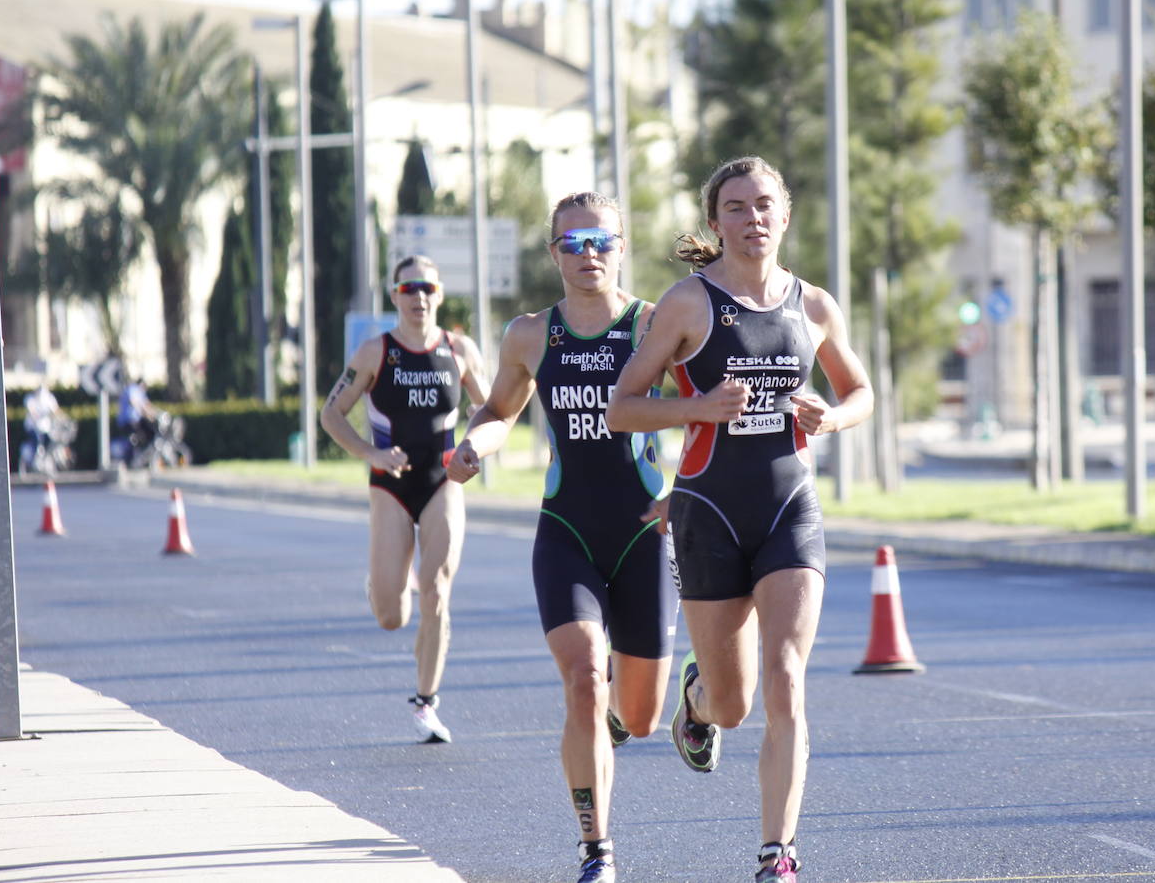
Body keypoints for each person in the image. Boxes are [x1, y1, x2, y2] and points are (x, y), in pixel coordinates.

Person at [607, 156, 874, 883]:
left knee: (788, 675)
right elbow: (622, 407)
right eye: (735, 207)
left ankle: (776, 854)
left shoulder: (814, 306)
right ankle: (696, 697)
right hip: (707, 513)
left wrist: (835, 417)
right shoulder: (687, 306)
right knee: (733, 705)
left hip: (790, 508)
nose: (751, 219)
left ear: (784, 215)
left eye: (763, 205)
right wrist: (696, 407)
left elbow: (861, 391)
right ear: (716, 221)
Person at [446, 192, 677, 883]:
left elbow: (707, 413)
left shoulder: (654, 326)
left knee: (637, 717)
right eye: (573, 244)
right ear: (553, 254)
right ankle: (597, 851)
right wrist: (475, 444)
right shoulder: (529, 335)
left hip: (643, 532)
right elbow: (498, 408)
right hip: (567, 530)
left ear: (622, 247)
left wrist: (682, 494)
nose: (588, 256)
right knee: (583, 679)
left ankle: (667, 707)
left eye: (601, 242)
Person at [320, 255, 489, 743]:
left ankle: (425, 703)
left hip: (443, 481)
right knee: (392, 616)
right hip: (391, 485)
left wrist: (473, 448)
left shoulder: (460, 351)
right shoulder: (376, 352)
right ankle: (381, 584)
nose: (418, 297)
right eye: (409, 288)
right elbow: (332, 415)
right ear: (394, 295)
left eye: (427, 288)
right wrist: (370, 452)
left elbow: (491, 408)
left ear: (439, 294)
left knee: (437, 587)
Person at [118, 377, 157, 452]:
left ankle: (145, 451)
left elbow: (147, 405)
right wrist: (146, 413)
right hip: (128, 421)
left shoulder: (141, 393)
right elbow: (135, 403)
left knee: (150, 432)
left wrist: (155, 414)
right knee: (140, 436)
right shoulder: (133, 389)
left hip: (136, 420)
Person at [24, 379, 61, 455]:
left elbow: (56, 411)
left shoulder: (49, 398)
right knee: (35, 443)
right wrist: (38, 417)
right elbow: (32, 412)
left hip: (46, 428)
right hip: (33, 427)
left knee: (50, 443)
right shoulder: (30, 398)